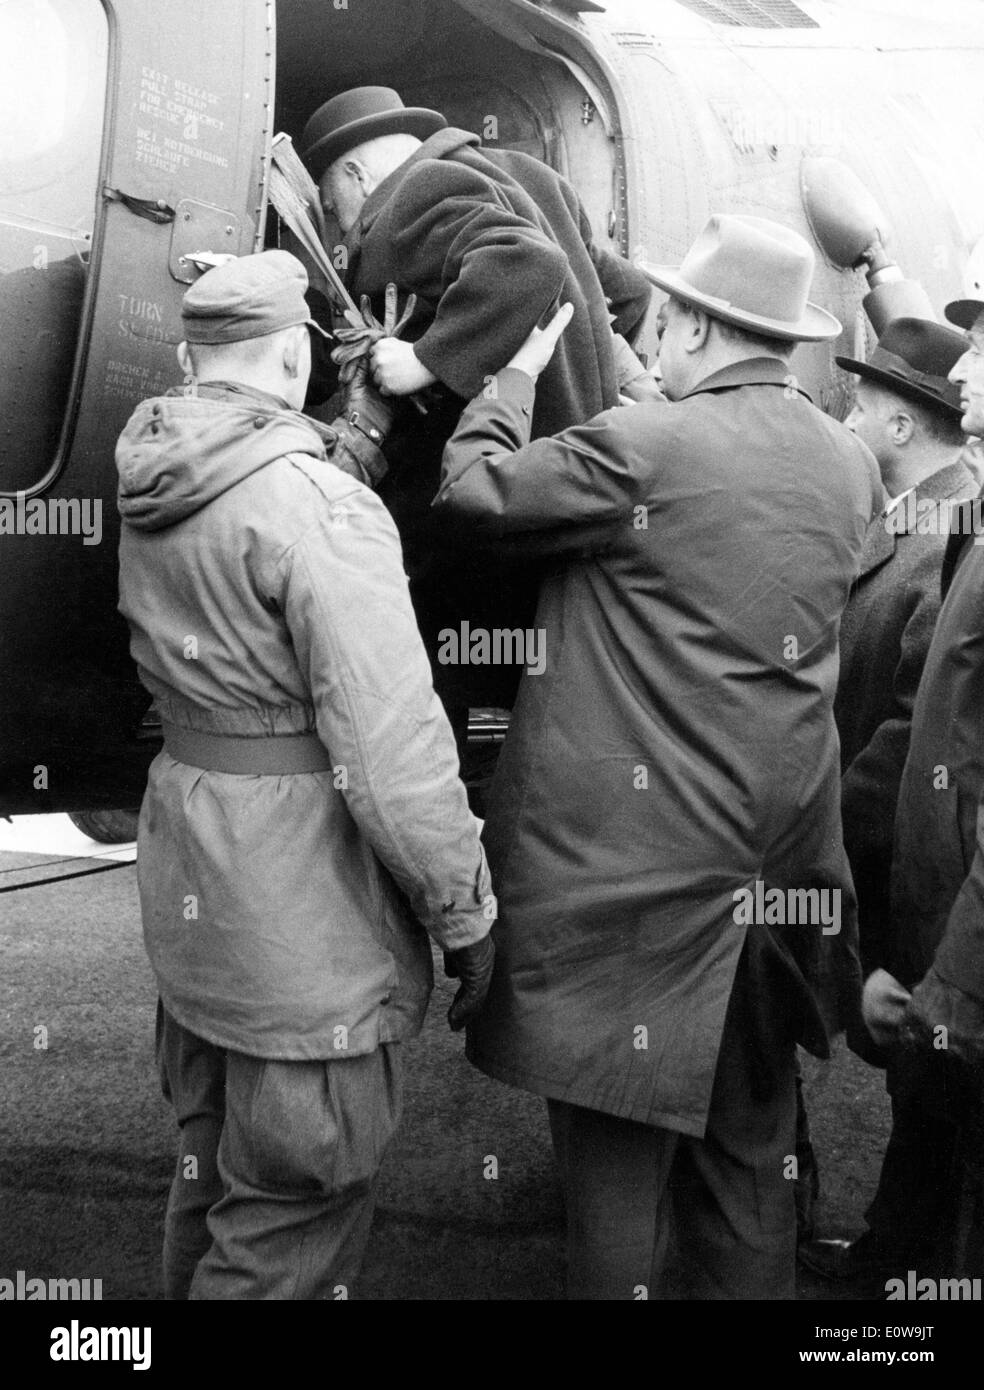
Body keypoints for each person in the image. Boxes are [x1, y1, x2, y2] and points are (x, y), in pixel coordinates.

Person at [433, 214, 880, 1299]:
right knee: (744, 1178)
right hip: (773, 891)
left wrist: (508, 383)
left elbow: (472, 497)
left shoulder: (646, 449)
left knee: (617, 1200)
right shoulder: (849, 465)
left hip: (631, 903)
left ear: (689, 323)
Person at [115, 250, 496, 1300]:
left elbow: (265, 497)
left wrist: (354, 441)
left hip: (202, 908)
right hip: (306, 936)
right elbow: (394, 755)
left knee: (212, 1184)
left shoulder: (152, 470)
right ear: (294, 356)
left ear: (197, 363)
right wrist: (465, 915)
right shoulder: (322, 509)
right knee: (288, 1221)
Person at [298, 86, 655, 770]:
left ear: (355, 175)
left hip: (482, 523)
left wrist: (425, 361)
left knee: (453, 723)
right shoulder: (533, 177)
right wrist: (580, 379)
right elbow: (628, 293)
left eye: (334, 205)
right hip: (565, 499)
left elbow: (524, 265)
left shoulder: (410, 196)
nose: (342, 227)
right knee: (535, 716)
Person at [798, 318, 976, 1281]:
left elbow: (916, 730)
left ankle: (899, 1279)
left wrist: (819, 822)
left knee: (927, 1082)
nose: (848, 410)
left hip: (908, 862)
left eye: (863, 400)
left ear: (902, 424)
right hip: (897, 855)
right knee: (922, 1092)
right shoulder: (914, 519)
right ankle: (895, 1254)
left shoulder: (942, 538)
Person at [861, 292, 984, 1280]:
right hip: (927, 889)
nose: (966, 375)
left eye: (983, 353)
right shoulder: (956, 520)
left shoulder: (956, 524)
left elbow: (921, 724)